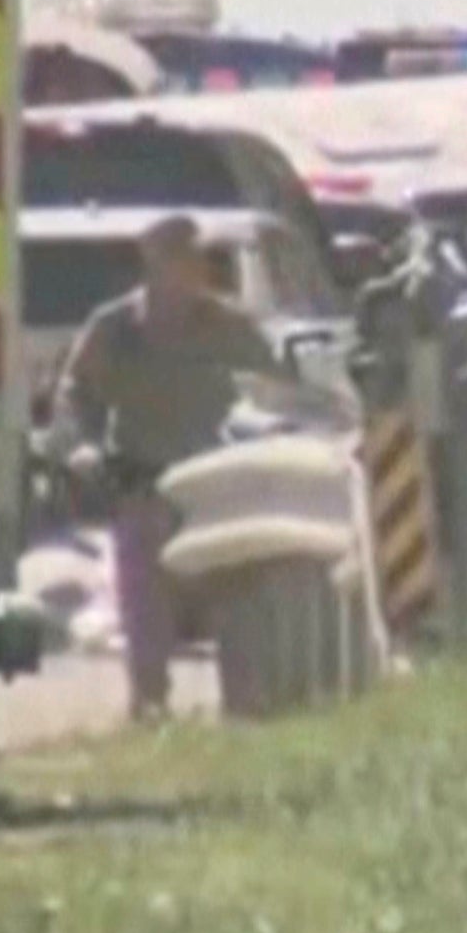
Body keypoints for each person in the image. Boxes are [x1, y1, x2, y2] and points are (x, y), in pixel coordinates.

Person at [48, 213, 283, 721]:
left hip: (216, 478)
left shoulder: (227, 325)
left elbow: (272, 383)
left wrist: (266, 434)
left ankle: (245, 703)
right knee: (145, 599)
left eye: (197, 258)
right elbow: (75, 394)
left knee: (233, 590)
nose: (195, 268)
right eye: (182, 257)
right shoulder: (116, 328)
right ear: (155, 263)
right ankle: (149, 701)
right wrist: (83, 447)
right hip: (144, 476)